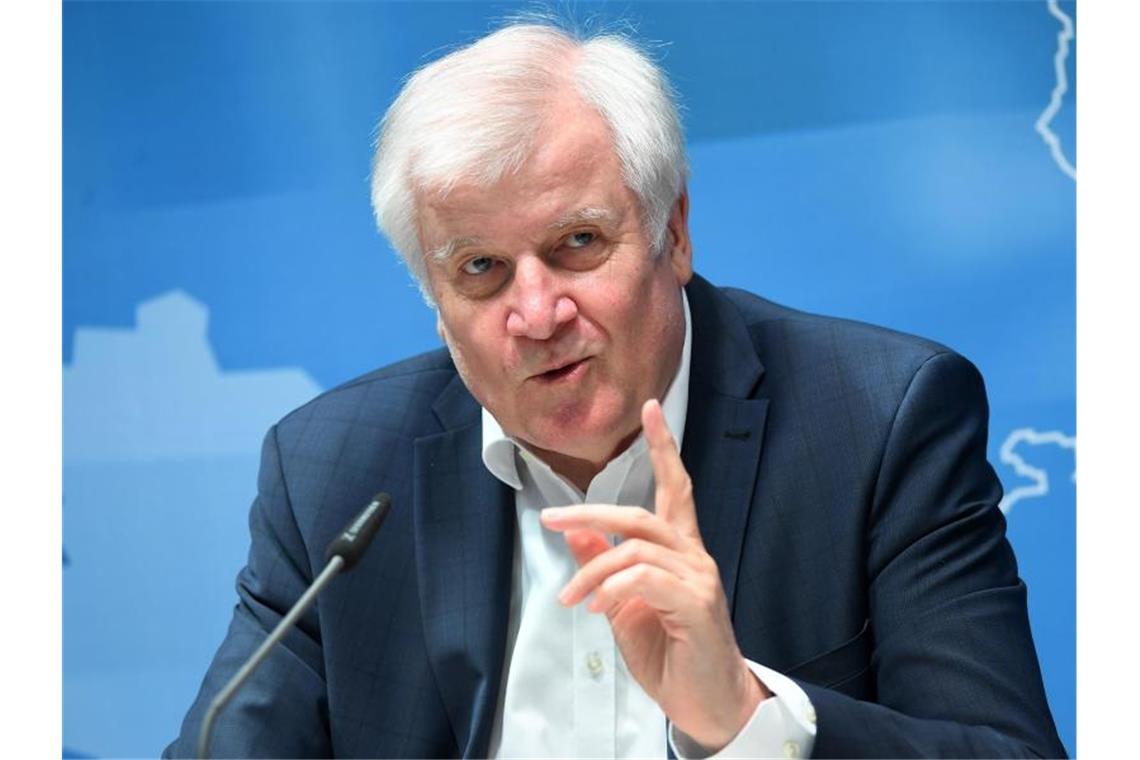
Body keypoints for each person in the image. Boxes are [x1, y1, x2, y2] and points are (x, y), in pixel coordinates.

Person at [167, 21, 1065, 759]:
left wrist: (747, 718)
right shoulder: (332, 473)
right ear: (435, 305)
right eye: (480, 268)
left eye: (578, 244)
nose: (536, 311)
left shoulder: (877, 421)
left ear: (673, 234)